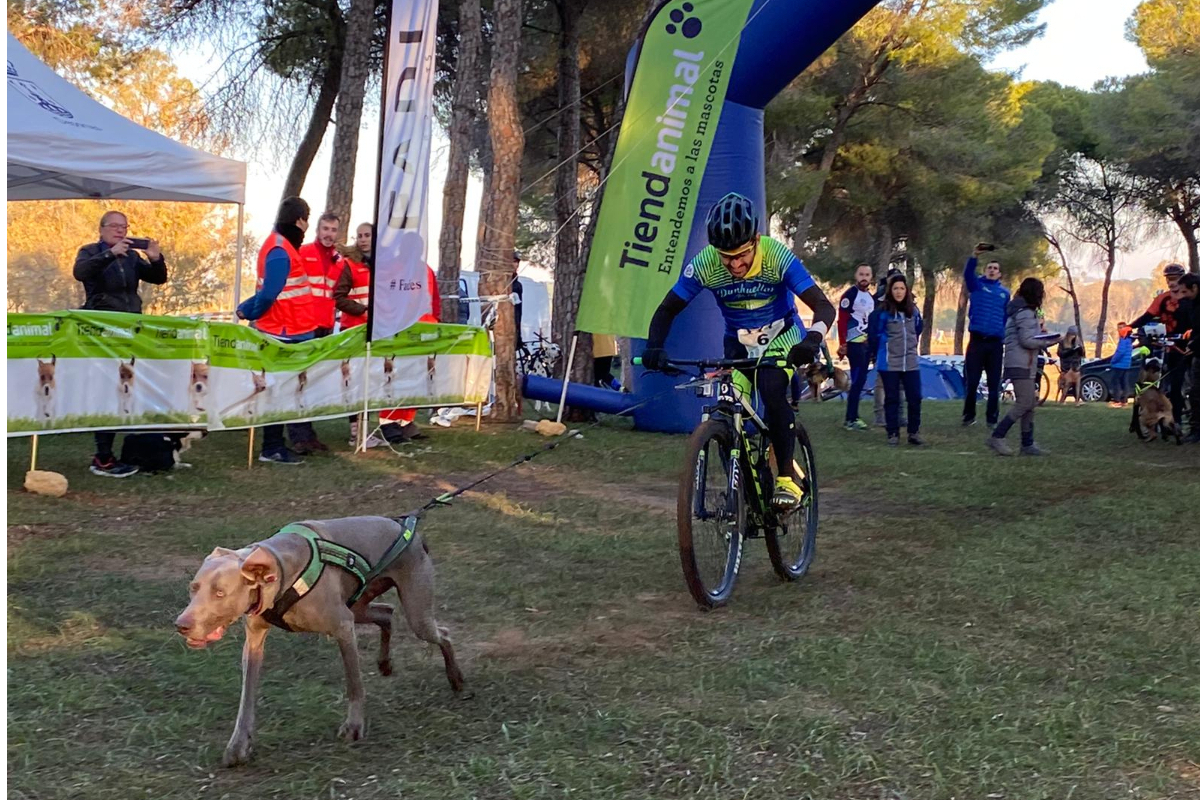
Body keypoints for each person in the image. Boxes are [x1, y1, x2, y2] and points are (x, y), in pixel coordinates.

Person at [642, 192, 836, 508]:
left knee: (772, 389)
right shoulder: (705, 263)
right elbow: (666, 309)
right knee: (726, 407)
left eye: (742, 254)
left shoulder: (775, 256)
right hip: (739, 343)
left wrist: (812, 340)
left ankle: (787, 479)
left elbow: (824, 306)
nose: (734, 264)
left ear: (756, 240)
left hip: (782, 337)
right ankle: (744, 483)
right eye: (725, 256)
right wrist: (654, 346)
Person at [73, 210, 168, 477]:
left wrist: (156, 258)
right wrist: (109, 254)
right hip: (102, 326)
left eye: (124, 227)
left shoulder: (133, 257)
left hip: (130, 326)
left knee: (125, 388)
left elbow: (158, 278)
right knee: (107, 389)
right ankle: (102, 456)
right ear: (101, 229)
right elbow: (80, 273)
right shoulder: (90, 251)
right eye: (114, 226)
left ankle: (131, 450)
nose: (120, 231)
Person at [236, 196, 319, 465]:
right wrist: (250, 311)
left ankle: (275, 444)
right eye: (307, 219)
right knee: (278, 392)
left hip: (289, 328)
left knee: (283, 390)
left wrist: (245, 307)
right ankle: (272, 446)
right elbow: (271, 293)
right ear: (299, 220)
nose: (307, 226)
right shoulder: (281, 250)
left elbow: (270, 289)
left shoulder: (280, 247)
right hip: (282, 330)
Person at [282, 211, 343, 454]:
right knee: (298, 381)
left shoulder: (339, 260)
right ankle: (298, 436)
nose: (329, 234)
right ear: (318, 230)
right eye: (325, 229)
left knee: (312, 383)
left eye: (333, 230)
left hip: (325, 326)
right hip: (302, 325)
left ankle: (308, 434)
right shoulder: (303, 252)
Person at [987, 278, 1060, 456]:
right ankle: (997, 436)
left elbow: (1029, 336)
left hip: (1023, 361)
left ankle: (1027, 443)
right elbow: (1027, 340)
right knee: (1024, 402)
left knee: (1030, 404)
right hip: (1021, 362)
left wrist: (1043, 336)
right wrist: (1054, 339)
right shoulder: (1025, 312)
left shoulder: (1021, 311)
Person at [334, 222, 385, 449]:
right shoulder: (350, 265)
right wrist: (363, 310)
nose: (363, 239)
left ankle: (366, 429)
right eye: (359, 236)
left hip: (376, 330)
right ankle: (356, 432)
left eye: (367, 235)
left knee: (372, 381)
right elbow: (339, 297)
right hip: (354, 329)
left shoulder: (384, 264)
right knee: (355, 381)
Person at [377, 265, 442, 444]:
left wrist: (436, 322)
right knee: (398, 377)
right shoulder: (397, 269)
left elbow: (434, 299)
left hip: (426, 328)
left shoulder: (426, 269)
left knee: (418, 378)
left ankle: (406, 420)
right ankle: (389, 421)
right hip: (404, 329)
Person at [867, 273, 924, 447]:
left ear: (906, 291)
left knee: (915, 398)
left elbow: (918, 329)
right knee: (892, 399)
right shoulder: (882, 313)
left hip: (911, 362)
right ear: (890, 291)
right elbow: (874, 335)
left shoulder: (913, 311)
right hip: (889, 363)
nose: (898, 292)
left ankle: (913, 432)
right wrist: (878, 353)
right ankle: (893, 433)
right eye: (895, 288)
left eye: (901, 288)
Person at [961, 246, 1011, 427]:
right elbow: (967, 275)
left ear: (999, 274)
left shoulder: (1005, 293)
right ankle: (968, 416)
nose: (992, 270)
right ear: (985, 271)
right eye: (989, 267)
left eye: (995, 268)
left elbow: (1006, 317)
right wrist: (973, 256)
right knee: (972, 381)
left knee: (994, 383)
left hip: (995, 344)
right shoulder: (977, 286)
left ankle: (992, 418)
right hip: (976, 341)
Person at [1132, 262, 1187, 423]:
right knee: (1171, 386)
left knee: (1192, 385)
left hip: (1191, 345)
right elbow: (1147, 316)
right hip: (1172, 347)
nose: (1171, 282)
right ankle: (1173, 420)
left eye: (1175, 278)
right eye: (1169, 279)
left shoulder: (1190, 298)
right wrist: (1130, 327)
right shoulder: (1163, 299)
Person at [837, 263, 875, 431]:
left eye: (867, 274)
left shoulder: (870, 297)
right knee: (857, 379)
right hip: (854, 343)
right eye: (861, 274)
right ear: (856, 275)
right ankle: (850, 418)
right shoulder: (850, 295)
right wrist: (843, 343)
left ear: (871, 277)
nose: (864, 277)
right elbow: (842, 320)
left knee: (861, 381)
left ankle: (853, 416)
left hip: (867, 344)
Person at [1175, 274, 1200, 443]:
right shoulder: (1191, 304)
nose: (1183, 295)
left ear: (1195, 288)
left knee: (1196, 391)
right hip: (1198, 352)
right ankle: (1196, 429)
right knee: (1195, 392)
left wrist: (1195, 344)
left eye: (1185, 292)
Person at [1109, 322, 1136, 408]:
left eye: (1121, 328)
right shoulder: (1130, 340)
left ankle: (1117, 401)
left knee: (1116, 383)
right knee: (1125, 383)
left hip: (1119, 365)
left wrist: (1113, 360)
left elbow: (1120, 352)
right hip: (1126, 365)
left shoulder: (1123, 340)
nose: (1119, 330)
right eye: (1118, 328)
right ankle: (1124, 401)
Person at [1056, 326, 1085, 402]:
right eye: (1072, 335)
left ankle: (1077, 399)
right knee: (1067, 384)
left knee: (1077, 384)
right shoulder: (1063, 342)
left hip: (1075, 366)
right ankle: (1062, 399)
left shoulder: (1078, 342)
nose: (1073, 337)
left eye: (1075, 335)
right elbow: (1060, 353)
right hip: (1066, 366)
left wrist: (1080, 350)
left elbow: (1082, 354)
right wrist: (1070, 351)